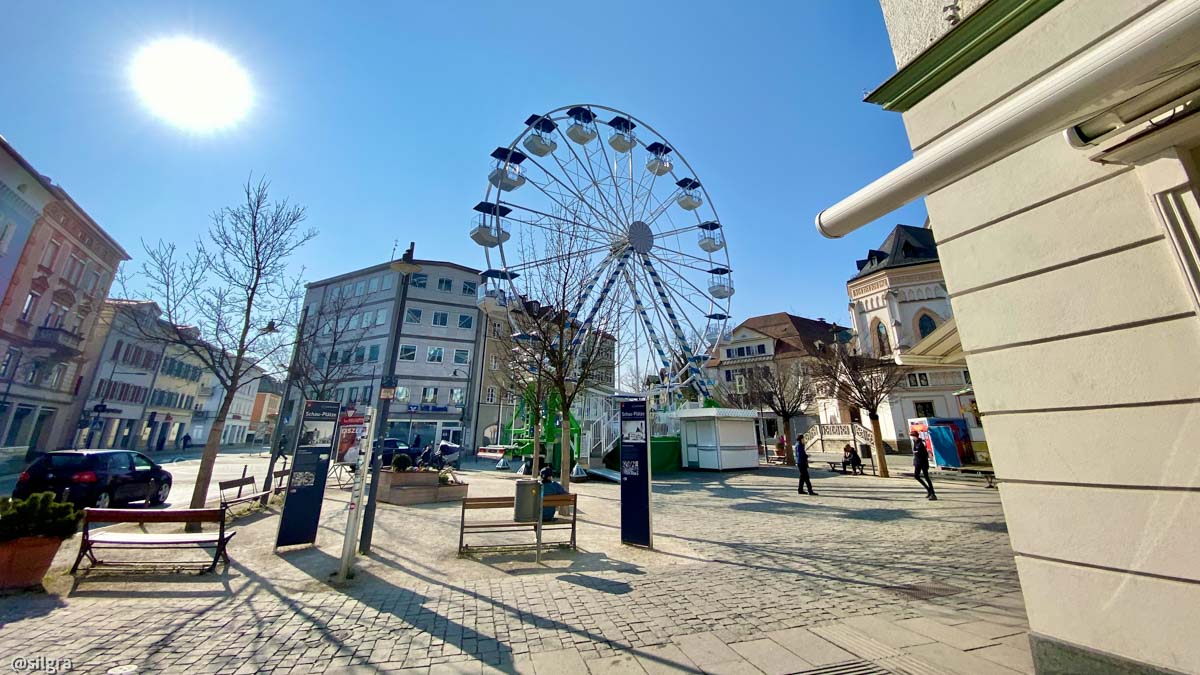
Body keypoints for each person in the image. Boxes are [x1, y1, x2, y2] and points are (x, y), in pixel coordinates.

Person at [911, 430, 937, 500]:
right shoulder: (915, 442)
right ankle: (928, 490)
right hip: (917, 462)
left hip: (923, 463)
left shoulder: (921, 443)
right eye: (912, 436)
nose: (912, 437)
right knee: (916, 476)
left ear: (916, 436)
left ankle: (933, 493)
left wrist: (917, 453)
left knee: (926, 477)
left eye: (913, 436)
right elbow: (915, 452)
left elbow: (924, 454)